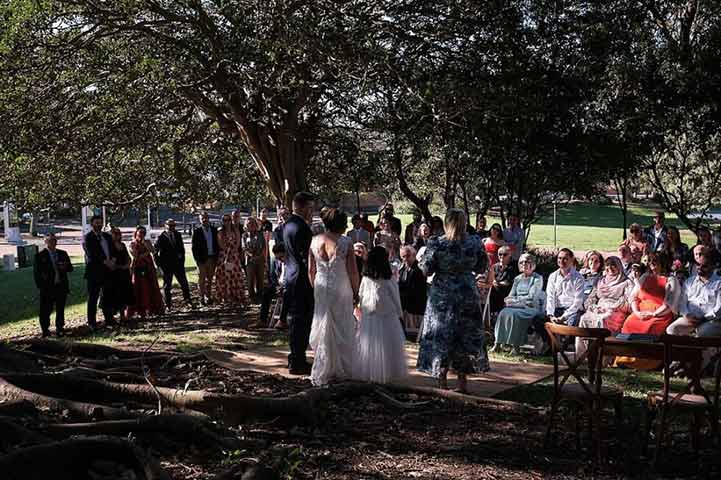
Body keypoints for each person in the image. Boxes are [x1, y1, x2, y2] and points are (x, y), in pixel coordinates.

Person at [417, 208, 489, 393]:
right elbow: (481, 267)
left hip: (442, 296)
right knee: (465, 335)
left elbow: (426, 269)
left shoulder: (437, 243)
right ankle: (462, 382)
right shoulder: (475, 243)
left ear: (446, 222)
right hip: (467, 293)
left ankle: (442, 381)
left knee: (441, 334)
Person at [308, 208, 360, 385]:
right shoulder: (346, 242)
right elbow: (353, 271)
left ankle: (326, 367)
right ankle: (342, 369)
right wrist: (356, 292)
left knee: (324, 325)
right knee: (342, 325)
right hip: (341, 286)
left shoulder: (314, 241)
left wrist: (316, 288)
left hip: (321, 286)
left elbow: (311, 271)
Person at [354, 246, 408, 383]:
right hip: (386, 314)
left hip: (370, 314)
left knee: (371, 343)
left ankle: (371, 371)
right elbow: (395, 297)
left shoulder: (366, 278)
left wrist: (360, 308)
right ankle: (388, 371)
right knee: (387, 343)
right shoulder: (389, 279)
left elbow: (361, 294)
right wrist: (399, 313)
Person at [575, 256, 634, 358]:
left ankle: (601, 356)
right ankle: (582, 354)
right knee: (584, 318)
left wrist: (611, 307)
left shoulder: (626, 282)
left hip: (616, 310)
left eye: (613, 265)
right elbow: (591, 298)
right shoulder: (600, 281)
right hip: (599, 307)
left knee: (602, 319)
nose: (609, 268)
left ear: (619, 266)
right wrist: (592, 307)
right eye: (607, 265)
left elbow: (628, 301)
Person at [284, 191, 316, 375]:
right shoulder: (302, 228)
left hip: (291, 276)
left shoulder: (288, 224)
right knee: (301, 321)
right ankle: (297, 361)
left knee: (297, 320)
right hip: (301, 279)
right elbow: (306, 258)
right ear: (302, 207)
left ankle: (296, 357)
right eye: (310, 208)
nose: (312, 212)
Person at [492, 253, 544, 354]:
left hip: (530, 307)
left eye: (527, 261)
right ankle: (497, 343)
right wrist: (509, 300)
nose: (524, 264)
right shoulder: (518, 278)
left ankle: (515, 346)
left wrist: (515, 300)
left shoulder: (537, 278)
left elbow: (531, 297)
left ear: (532, 264)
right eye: (522, 262)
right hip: (516, 305)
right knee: (503, 312)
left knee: (515, 315)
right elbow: (511, 295)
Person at [621, 252, 681, 337]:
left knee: (649, 328)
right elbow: (633, 297)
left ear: (663, 262)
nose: (651, 263)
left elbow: (669, 305)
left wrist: (653, 314)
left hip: (660, 315)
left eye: (655, 260)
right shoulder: (645, 277)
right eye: (649, 260)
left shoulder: (671, 280)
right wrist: (637, 312)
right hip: (641, 313)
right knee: (628, 323)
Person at [666, 247, 721, 336]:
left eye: (704, 266)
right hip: (690, 318)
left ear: (712, 266)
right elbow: (682, 302)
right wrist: (687, 314)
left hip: (710, 320)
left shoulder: (719, 283)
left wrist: (704, 318)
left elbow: (719, 309)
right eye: (698, 264)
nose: (700, 268)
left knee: (702, 333)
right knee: (671, 330)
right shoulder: (689, 281)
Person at [34, 233, 73, 337]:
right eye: (50, 240)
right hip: (47, 287)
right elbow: (37, 274)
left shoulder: (63, 253)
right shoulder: (39, 256)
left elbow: (70, 268)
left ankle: (60, 328)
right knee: (46, 310)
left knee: (60, 309)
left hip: (61, 285)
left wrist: (65, 267)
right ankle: (45, 330)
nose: (53, 242)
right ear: (45, 242)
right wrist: (41, 287)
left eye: (54, 240)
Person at [83, 214, 114, 328]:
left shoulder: (107, 236)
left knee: (107, 296)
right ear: (92, 224)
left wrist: (113, 260)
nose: (99, 225)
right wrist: (105, 262)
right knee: (93, 298)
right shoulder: (88, 237)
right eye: (96, 223)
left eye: (100, 223)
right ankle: (92, 322)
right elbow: (92, 254)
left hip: (108, 271)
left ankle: (109, 319)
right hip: (94, 272)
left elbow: (112, 250)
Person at [127, 226, 164, 319]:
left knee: (151, 285)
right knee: (139, 286)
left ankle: (153, 308)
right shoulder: (132, 243)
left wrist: (147, 246)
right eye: (140, 232)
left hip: (149, 266)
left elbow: (154, 251)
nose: (142, 234)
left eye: (144, 233)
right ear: (136, 233)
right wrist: (147, 252)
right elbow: (136, 256)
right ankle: (140, 310)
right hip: (138, 266)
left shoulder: (147, 242)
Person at [154, 218, 192, 309]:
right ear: (165, 226)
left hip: (178, 265)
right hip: (166, 266)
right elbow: (155, 252)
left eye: (173, 225)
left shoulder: (178, 235)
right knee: (167, 286)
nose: (172, 227)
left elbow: (182, 249)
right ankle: (168, 305)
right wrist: (159, 265)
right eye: (170, 225)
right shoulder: (160, 237)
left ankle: (188, 301)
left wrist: (182, 260)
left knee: (184, 284)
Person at [545, 248, 585, 327]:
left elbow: (578, 302)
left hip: (572, 312)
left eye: (565, 259)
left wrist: (564, 317)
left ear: (572, 260)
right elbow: (550, 297)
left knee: (571, 325)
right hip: (556, 310)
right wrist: (551, 315)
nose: (561, 261)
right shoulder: (553, 276)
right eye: (559, 258)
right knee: (538, 320)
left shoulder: (578, 278)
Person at [102, 227, 134, 324]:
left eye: (118, 233)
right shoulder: (109, 246)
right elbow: (110, 259)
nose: (117, 235)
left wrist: (128, 264)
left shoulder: (122, 245)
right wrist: (119, 266)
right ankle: (111, 317)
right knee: (116, 294)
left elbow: (127, 257)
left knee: (124, 294)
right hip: (114, 274)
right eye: (115, 233)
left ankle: (123, 316)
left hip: (124, 273)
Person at [215, 213, 248, 305]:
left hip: (234, 255)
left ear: (231, 220)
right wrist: (228, 252)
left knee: (236, 275)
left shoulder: (235, 230)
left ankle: (236, 295)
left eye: (228, 220)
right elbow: (220, 244)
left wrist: (233, 251)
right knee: (225, 276)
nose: (227, 222)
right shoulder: (220, 231)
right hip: (224, 256)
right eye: (225, 220)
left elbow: (238, 242)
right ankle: (225, 296)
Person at [398, 245, 427, 334]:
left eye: (407, 256)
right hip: (405, 307)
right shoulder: (402, 269)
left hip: (415, 309)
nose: (405, 259)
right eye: (403, 257)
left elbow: (416, 291)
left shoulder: (418, 270)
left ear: (414, 255)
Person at [192, 212, 219, 305]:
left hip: (212, 258)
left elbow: (217, 245)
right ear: (200, 220)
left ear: (208, 218)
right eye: (202, 218)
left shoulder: (214, 230)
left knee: (210, 280)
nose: (204, 219)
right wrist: (197, 260)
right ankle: (201, 298)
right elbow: (194, 248)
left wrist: (217, 257)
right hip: (202, 260)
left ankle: (208, 296)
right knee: (202, 280)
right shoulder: (197, 231)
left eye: (206, 217)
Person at [258, 242, 287, 328]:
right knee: (266, 291)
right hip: (279, 285)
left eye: (281, 257)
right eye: (278, 258)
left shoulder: (291, 262)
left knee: (287, 294)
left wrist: (283, 287)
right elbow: (275, 277)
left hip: (288, 287)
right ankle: (262, 320)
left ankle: (282, 320)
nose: (280, 260)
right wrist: (277, 286)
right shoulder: (277, 262)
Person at [489, 246, 518, 315]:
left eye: (505, 254)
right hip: (495, 290)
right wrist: (493, 282)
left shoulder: (514, 266)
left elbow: (508, 282)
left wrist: (496, 283)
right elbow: (491, 278)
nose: (502, 256)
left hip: (507, 291)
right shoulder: (495, 266)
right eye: (500, 254)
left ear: (510, 255)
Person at [242, 217, 266, 302]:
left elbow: (263, 246)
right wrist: (251, 256)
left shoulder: (260, 234)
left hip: (260, 259)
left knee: (260, 278)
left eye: (253, 223)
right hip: (249, 260)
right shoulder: (244, 235)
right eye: (249, 223)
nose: (251, 225)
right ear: (246, 225)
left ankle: (260, 295)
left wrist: (259, 256)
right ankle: (251, 296)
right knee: (250, 279)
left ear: (256, 225)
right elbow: (244, 247)